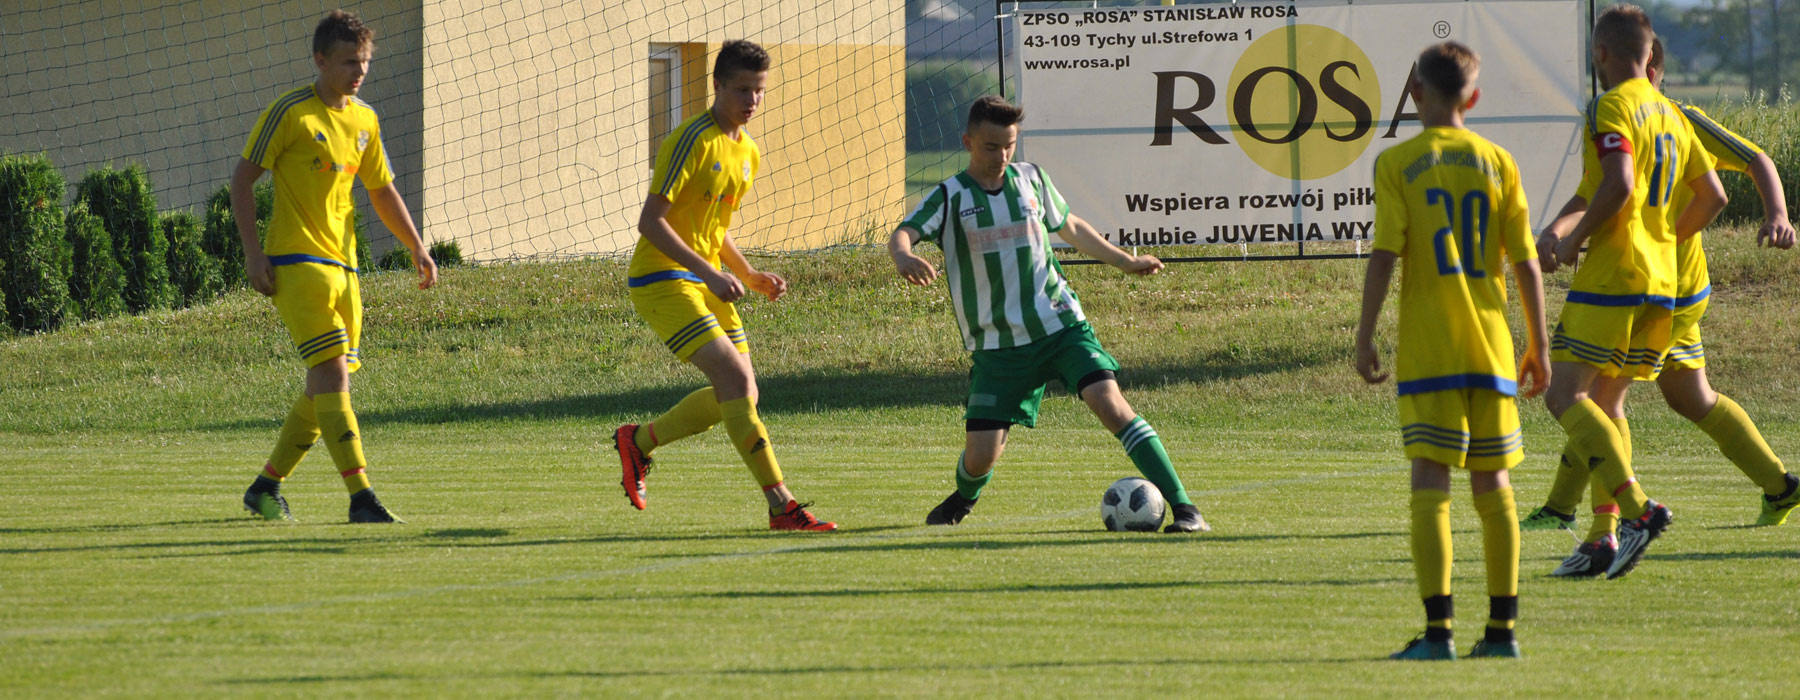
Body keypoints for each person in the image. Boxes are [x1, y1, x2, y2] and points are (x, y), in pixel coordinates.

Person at [1521, 38, 1799, 545]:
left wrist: (1777, 213)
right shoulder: (1622, 122)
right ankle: (1780, 486)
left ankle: (1589, 515)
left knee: (1601, 396)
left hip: (1660, 284)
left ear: (1650, 68)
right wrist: (1556, 232)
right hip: (1669, 286)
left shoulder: (1678, 117)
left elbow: (1755, 158)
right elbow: (1591, 193)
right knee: (1691, 397)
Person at [889, 95, 1209, 534]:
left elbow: (1070, 226)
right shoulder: (950, 196)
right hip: (998, 348)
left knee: (1111, 405)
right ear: (968, 142)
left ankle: (1186, 509)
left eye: (1009, 145)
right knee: (980, 457)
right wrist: (903, 256)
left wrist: (1124, 261)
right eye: (991, 146)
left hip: (1060, 326)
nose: (1001, 155)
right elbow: (904, 232)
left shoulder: (1032, 180)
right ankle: (963, 498)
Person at [1354, 42, 1548, 660]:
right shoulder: (1499, 162)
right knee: (1494, 487)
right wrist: (1539, 345)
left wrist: (1365, 333)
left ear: (1415, 91)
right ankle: (1502, 633)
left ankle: (1438, 635)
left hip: (1431, 351)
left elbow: (1385, 253)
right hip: (1491, 349)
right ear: (1475, 96)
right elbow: (1526, 263)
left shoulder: (1398, 162)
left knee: (1430, 482)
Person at [1528, 6, 1729, 579]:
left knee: (1564, 397)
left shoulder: (1609, 106)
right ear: (1650, 54)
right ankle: (1602, 538)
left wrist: (1576, 244)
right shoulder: (1671, 113)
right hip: (1661, 284)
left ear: (1601, 54)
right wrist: (1659, 238)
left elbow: (1618, 185)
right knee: (1606, 404)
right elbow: (1713, 196)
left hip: (1614, 279)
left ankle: (1639, 510)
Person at [611, 40, 835, 532]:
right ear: (716, 86)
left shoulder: (748, 150)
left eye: (759, 90)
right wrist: (711, 273)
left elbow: (713, 224)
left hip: (706, 279)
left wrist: (748, 273)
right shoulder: (691, 139)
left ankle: (638, 441)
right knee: (734, 382)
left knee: (741, 393)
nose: (752, 100)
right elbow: (651, 222)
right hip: (661, 278)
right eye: (741, 90)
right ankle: (782, 506)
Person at [234, 10, 438, 523]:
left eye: (364, 61)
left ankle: (265, 487)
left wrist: (416, 246)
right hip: (296, 262)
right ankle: (361, 497)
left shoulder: (365, 119)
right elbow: (241, 181)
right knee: (331, 371)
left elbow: (381, 189)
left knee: (324, 385)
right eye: (349, 61)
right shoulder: (290, 113)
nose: (359, 71)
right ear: (320, 60)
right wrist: (254, 254)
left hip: (345, 268)